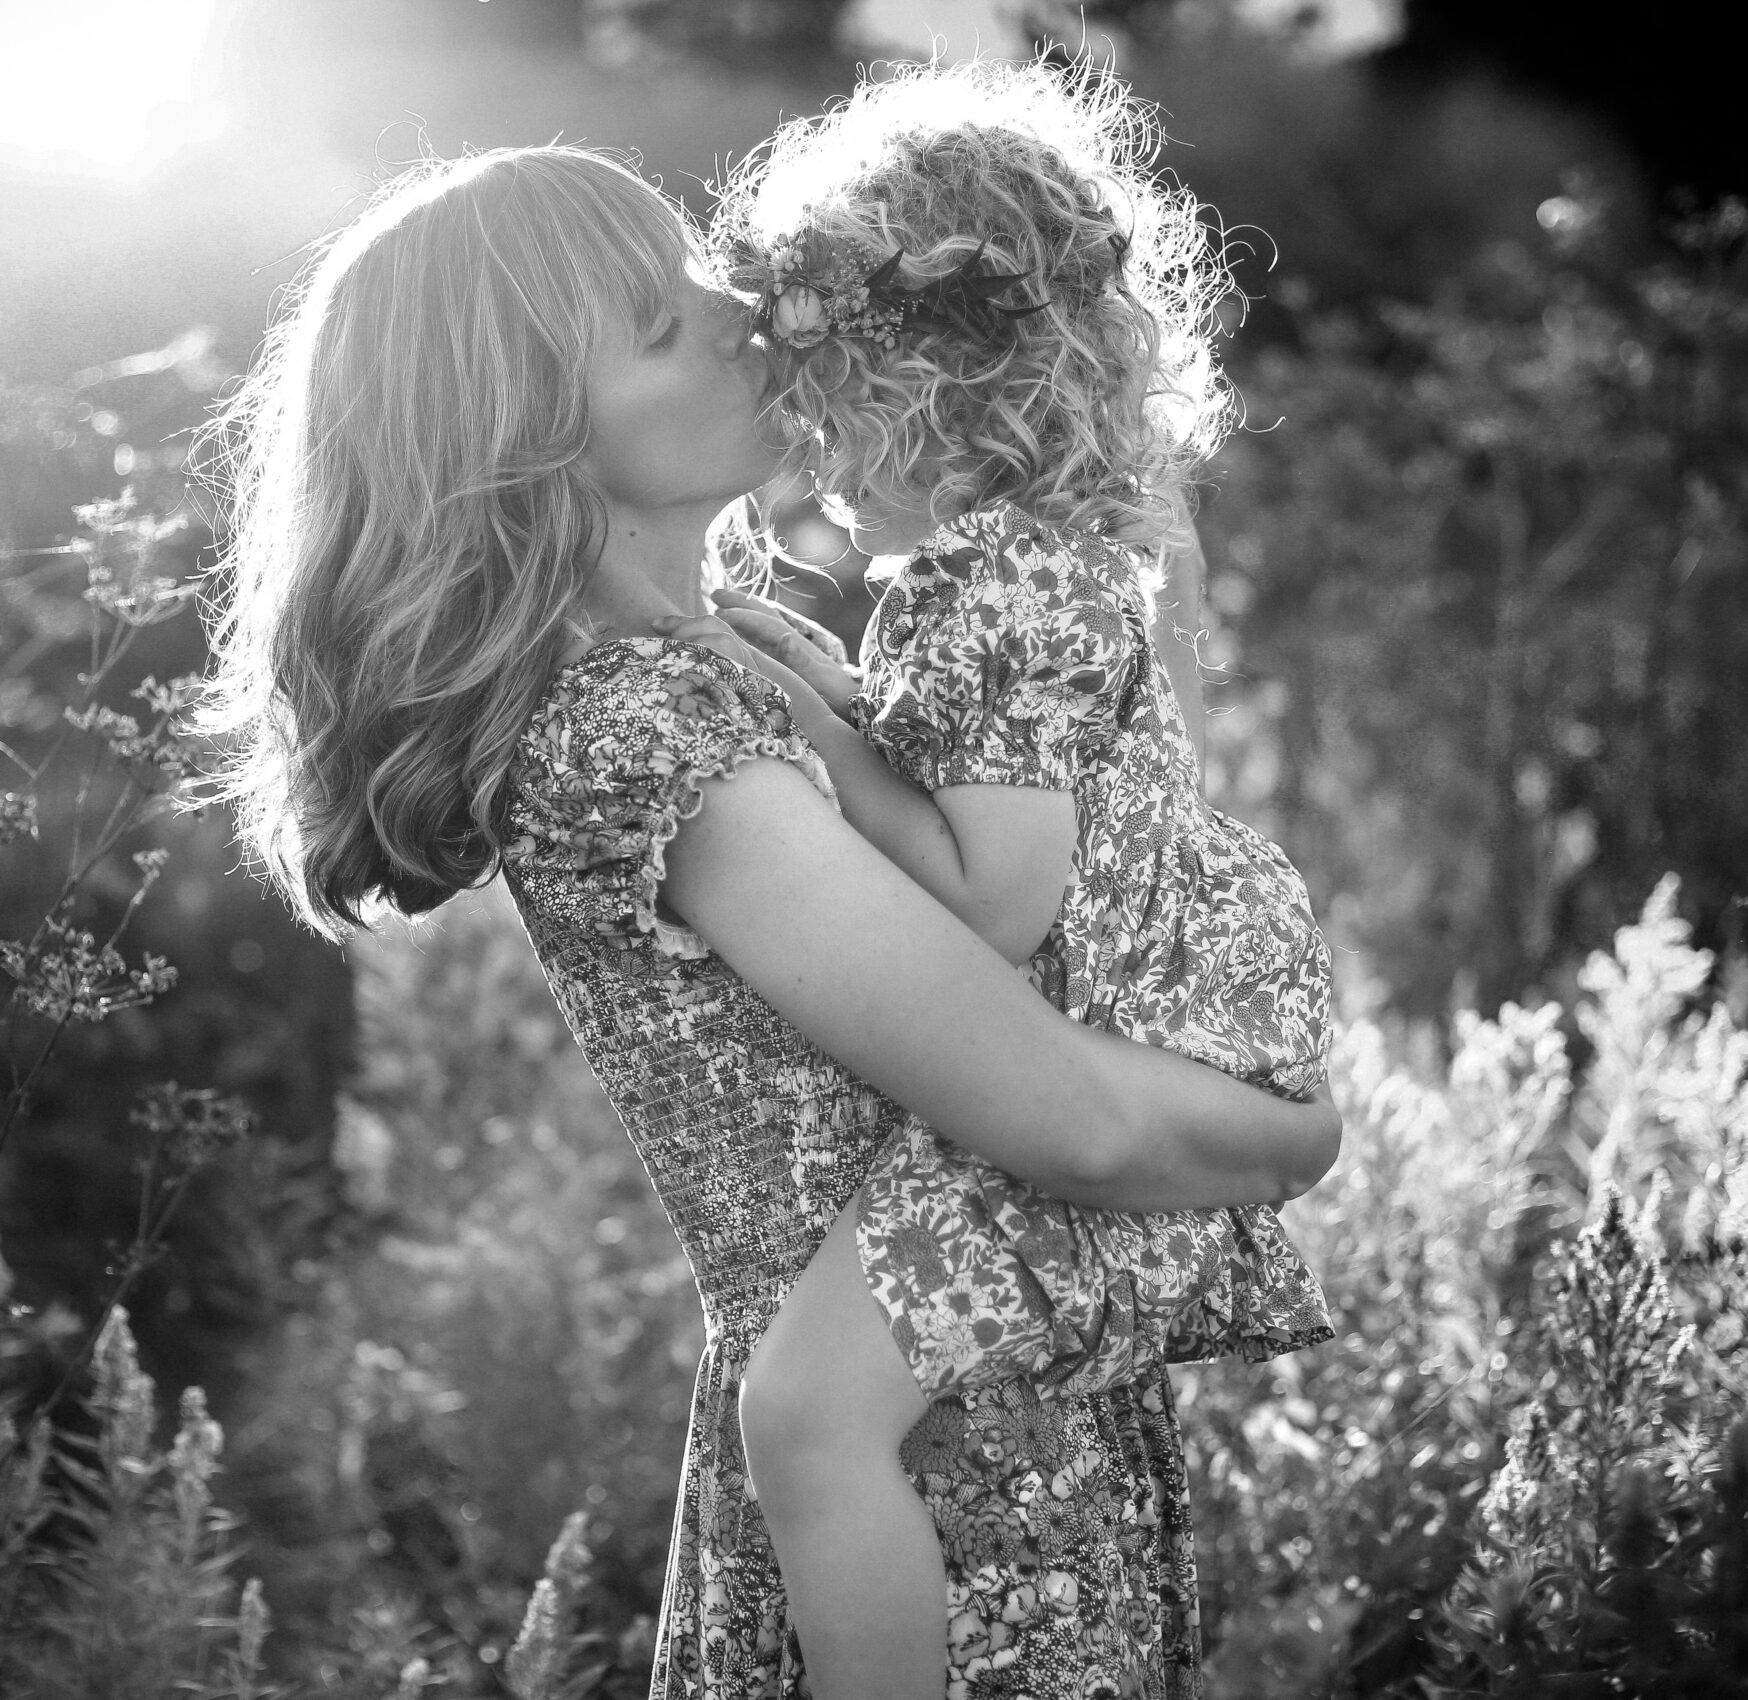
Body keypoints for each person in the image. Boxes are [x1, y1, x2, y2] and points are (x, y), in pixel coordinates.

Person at [201, 141, 1341, 1700]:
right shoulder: (636, 726)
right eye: (661, 323)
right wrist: (1290, 1141)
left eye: (699, 270)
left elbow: (1109, 855)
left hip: (986, 1408)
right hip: (937, 1509)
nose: (738, 309)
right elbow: (1068, 1122)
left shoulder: (740, 652)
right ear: (526, 438)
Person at [639, 60, 1338, 1700]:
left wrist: (816, 718)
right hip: (1166, 1029)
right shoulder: (1059, 556)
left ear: (927, 389)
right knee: (820, 1413)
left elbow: (993, 903)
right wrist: (852, 706)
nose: (816, 473)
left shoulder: (978, 579)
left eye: (830, 417)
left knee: (804, 1416)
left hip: (1110, 1042)